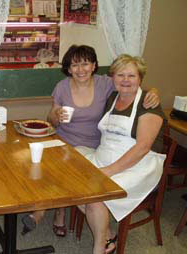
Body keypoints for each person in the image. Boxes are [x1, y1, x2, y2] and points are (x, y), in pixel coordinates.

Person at [21, 45, 160, 237]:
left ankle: (40, 213)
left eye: (85, 64)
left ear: (94, 65)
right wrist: (56, 115)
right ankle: (58, 212)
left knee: (66, 170)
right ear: (68, 69)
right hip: (63, 141)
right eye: (75, 65)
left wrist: (153, 91)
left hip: (95, 145)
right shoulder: (62, 87)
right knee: (51, 165)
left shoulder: (106, 83)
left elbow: (131, 85)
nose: (81, 69)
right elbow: (50, 120)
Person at [75, 54, 166, 254]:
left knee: (94, 192)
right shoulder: (112, 98)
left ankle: (99, 248)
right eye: (120, 75)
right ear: (112, 78)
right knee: (72, 176)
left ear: (140, 78)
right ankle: (107, 234)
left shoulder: (148, 103)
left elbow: (142, 147)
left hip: (138, 165)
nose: (125, 80)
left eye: (131, 76)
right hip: (106, 156)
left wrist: (108, 171)